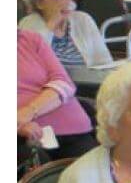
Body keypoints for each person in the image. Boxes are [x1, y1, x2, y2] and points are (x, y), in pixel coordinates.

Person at [17, 29, 98, 166]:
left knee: (96, 176)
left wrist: (29, 111)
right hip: (23, 139)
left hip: (71, 126)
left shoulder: (30, 39)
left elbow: (64, 83)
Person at [19, 0, 113, 67]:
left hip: (86, 81)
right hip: (47, 81)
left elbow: (104, 61)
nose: (64, 0)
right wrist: (52, 23)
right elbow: (27, 64)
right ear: (40, 3)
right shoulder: (29, 24)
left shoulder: (83, 20)